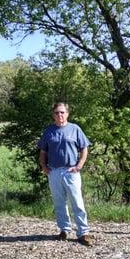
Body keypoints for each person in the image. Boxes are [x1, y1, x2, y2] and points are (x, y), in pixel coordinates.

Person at [38, 102, 93, 246]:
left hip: (71, 171)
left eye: (62, 112)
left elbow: (84, 148)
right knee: (59, 203)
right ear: (53, 115)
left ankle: (83, 233)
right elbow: (43, 151)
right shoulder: (49, 131)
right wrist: (44, 167)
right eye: (56, 113)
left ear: (67, 114)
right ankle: (64, 230)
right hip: (54, 171)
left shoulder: (75, 129)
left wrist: (79, 165)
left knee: (77, 202)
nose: (59, 115)